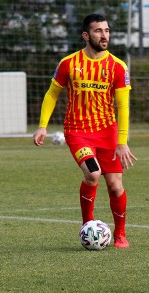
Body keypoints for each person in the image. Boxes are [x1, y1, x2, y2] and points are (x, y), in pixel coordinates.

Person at [33, 13, 137, 248]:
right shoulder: (69, 63)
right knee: (92, 173)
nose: (104, 35)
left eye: (107, 30)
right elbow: (52, 94)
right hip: (77, 132)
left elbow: (123, 106)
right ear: (85, 35)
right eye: (99, 31)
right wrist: (42, 126)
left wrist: (122, 141)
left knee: (115, 185)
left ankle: (120, 234)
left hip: (108, 133)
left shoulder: (117, 67)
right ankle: (87, 226)